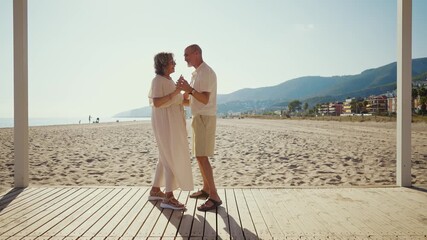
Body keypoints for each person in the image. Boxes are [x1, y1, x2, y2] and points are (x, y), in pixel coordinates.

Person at [177, 44, 222, 211]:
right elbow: (192, 100)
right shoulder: (197, 74)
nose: (185, 58)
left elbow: (204, 99)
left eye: (187, 55)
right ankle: (206, 189)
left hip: (204, 118)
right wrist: (177, 95)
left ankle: (214, 196)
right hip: (198, 117)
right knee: (199, 156)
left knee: (202, 157)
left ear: (197, 53)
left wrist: (189, 89)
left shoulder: (206, 73)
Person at [148, 52, 194, 210]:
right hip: (164, 123)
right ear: (163, 65)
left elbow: (182, 102)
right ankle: (168, 197)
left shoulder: (168, 80)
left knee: (164, 156)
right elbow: (157, 102)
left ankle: (155, 189)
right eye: (171, 62)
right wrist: (177, 91)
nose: (174, 64)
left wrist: (186, 89)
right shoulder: (157, 81)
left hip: (172, 123)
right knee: (170, 156)